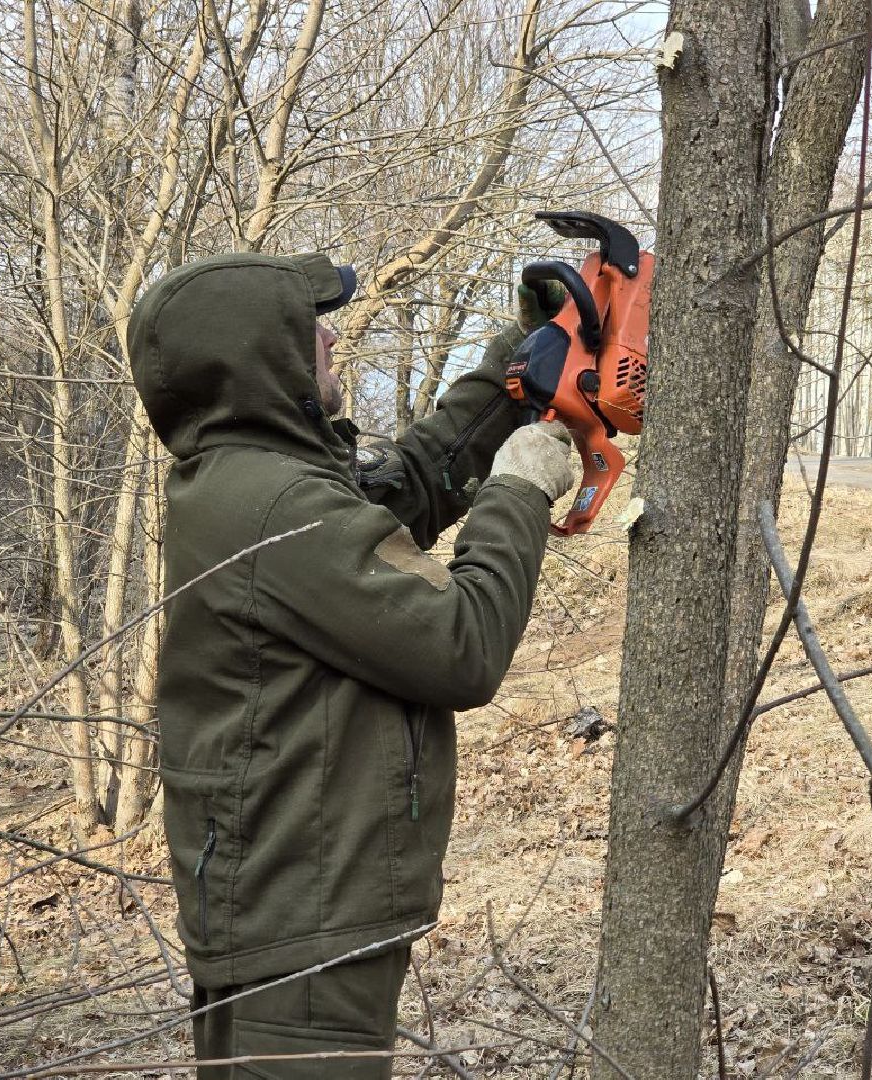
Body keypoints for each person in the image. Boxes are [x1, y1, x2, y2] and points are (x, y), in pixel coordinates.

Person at [127, 250, 574, 1078]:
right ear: (261, 355)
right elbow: (462, 646)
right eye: (309, 325)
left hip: (284, 921)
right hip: (300, 951)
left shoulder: (245, 482)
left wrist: (520, 360)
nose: (332, 337)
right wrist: (519, 491)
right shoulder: (276, 507)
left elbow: (402, 489)